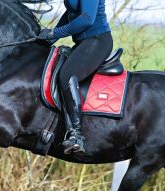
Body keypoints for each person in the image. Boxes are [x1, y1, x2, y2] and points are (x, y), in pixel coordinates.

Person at [37, 0, 113, 155]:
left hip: (97, 40)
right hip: (84, 42)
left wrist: (56, 33)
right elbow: (71, 12)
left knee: (67, 76)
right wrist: (52, 37)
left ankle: (76, 135)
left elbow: (86, 19)